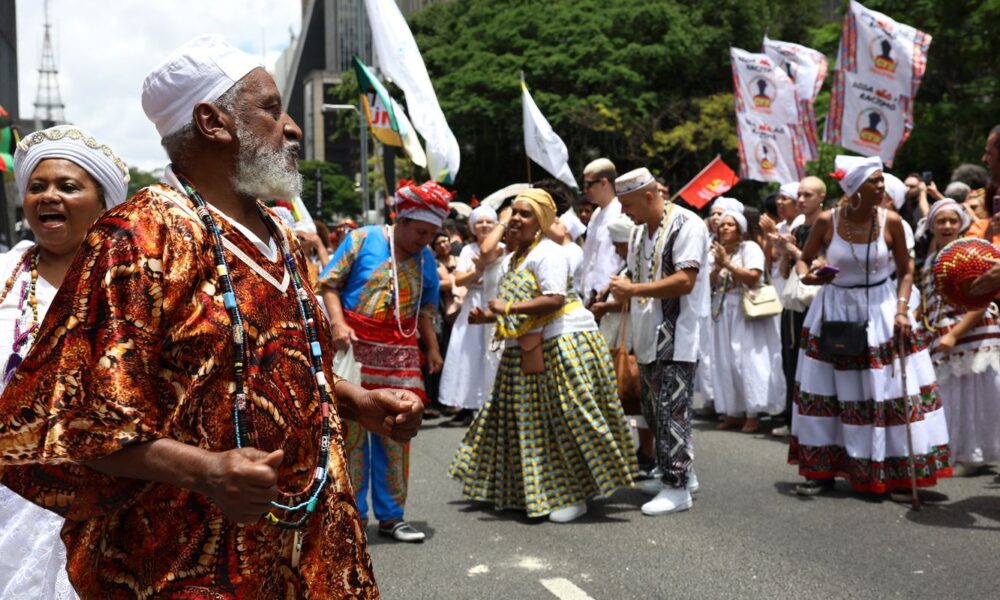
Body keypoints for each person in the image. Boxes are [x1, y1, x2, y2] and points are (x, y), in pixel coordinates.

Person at [0, 36, 425, 597]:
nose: (293, 129)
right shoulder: (138, 238)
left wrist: (357, 402)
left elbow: (286, 368)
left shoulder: (280, 235)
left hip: (312, 539)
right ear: (212, 122)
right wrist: (205, 471)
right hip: (189, 555)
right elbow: (86, 423)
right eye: (271, 109)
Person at [450, 189, 634, 523]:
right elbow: (518, 303)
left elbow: (553, 299)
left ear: (542, 221)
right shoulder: (513, 259)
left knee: (568, 419)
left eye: (526, 214)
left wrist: (507, 307)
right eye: (514, 212)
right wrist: (488, 317)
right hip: (528, 345)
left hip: (564, 343)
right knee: (530, 425)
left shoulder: (549, 252)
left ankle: (577, 493)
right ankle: (540, 490)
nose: (516, 219)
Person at [0, 125, 129, 600]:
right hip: (9, 496)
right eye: (37, 186)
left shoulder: (133, 287)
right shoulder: (4, 278)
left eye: (68, 186)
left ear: (104, 204)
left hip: (105, 494)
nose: (49, 196)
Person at [788, 155, 950, 499]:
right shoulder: (828, 221)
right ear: (855, 188)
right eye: (875, 181)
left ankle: (897, 473)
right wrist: (808, 275)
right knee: (828, 391)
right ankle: (821, 472)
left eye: (881, 180)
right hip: (834, 309)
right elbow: (803, 260)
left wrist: (903, 310)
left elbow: (906, 271)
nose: (882, 186)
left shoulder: (892, 221)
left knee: (887, 391)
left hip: (882, 309)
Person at [319, 179, 447, 543]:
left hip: (401, 358)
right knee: (351, 436)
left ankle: (392, 517)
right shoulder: (362, 239)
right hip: (354, 354)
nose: (425, 240)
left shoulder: (425, 258)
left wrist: (433, 348)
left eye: (431, 234)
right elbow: (329, 284)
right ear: (401, 220)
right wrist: (338, 323)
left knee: (397, 434)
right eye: (420, 232)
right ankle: (353, 516)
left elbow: (425, 309)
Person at [609, 167, 709, 516]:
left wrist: (633, 289)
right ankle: (680, 473)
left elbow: (685, 280)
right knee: (653, 411)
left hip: (676, 335)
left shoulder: (687, 224)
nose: (624, 212)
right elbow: (635, 273)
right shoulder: (639, 231)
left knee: (671, 411)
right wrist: (615, 293)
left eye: (628, 204)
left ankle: (677, 486)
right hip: (646, 333)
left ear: (649, 196)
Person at [914, 200, 1000, 475]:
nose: (948, 226)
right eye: (941, 221)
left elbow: (982, 300)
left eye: (953, 220)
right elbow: (929, 300)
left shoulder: (971, 251)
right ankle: (954, 451)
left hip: (973, 335)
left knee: (975, 396)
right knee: (951, 396)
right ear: (932, 226)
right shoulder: (931, 260)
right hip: (941, 335)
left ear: (961, 224)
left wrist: (955, 333)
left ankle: (972, 455)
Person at [709, 210, 785, 433]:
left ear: (740, 229)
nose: (725, 228)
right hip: (723, 310)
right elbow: (712, 282)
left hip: (745, 311)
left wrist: (728, 264)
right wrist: (717, 265)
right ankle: (734, 411)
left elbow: (753, 277)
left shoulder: (749, 248)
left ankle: (752, 413)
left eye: (730, 224)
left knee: (745, 361)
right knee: (725, 361)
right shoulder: (718, 250)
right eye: (722, 225)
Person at [438, 205, 504, 428]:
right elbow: (458, 280)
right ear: (473, 227)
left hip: (495, 303)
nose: (484, 225)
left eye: (488, 221)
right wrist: (477, 271)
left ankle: (492, 404)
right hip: (473, 303)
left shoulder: (504, 248)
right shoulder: (468, 250)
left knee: (492, 355)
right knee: (468, 356)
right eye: (480, 222)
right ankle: (467, 405)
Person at [771, 176, 826, 438]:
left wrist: (792, 250)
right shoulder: (799, 227)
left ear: (821, 197)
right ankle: (792, 419)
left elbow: (820, 264)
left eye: (807, 195)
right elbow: (786, 272)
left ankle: (811, 422)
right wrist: (784, 251)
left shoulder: (827, 227)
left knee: (811, 363)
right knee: (790, 360)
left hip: (815, 303)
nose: (801, 200)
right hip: (794, 301)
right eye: (799, 195)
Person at [579, 158, 622, 304]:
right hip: (591, 296)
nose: (585, 190)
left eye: (589, 184)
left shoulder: (621, 212)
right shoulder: (596, 214)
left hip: (611, 296)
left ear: (604, 182)